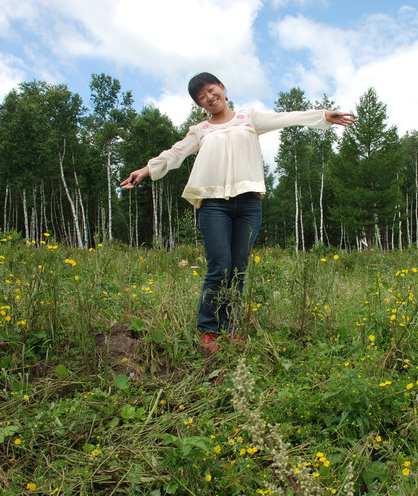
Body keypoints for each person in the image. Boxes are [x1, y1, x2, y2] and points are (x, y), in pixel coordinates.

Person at [121, 72, 354, 353]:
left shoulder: (249, 118)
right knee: (219, 267)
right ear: (200, 105)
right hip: (213, 205)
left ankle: (229, 329)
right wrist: (146, 170)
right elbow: (174, 154)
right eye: (201, 97)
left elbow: (286, 117)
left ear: (222, 88)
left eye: (210, 90)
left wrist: (323, 115)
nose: (208, 98)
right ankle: (208, 330)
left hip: (248, 204)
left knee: (238, 270)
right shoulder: (201, 131)